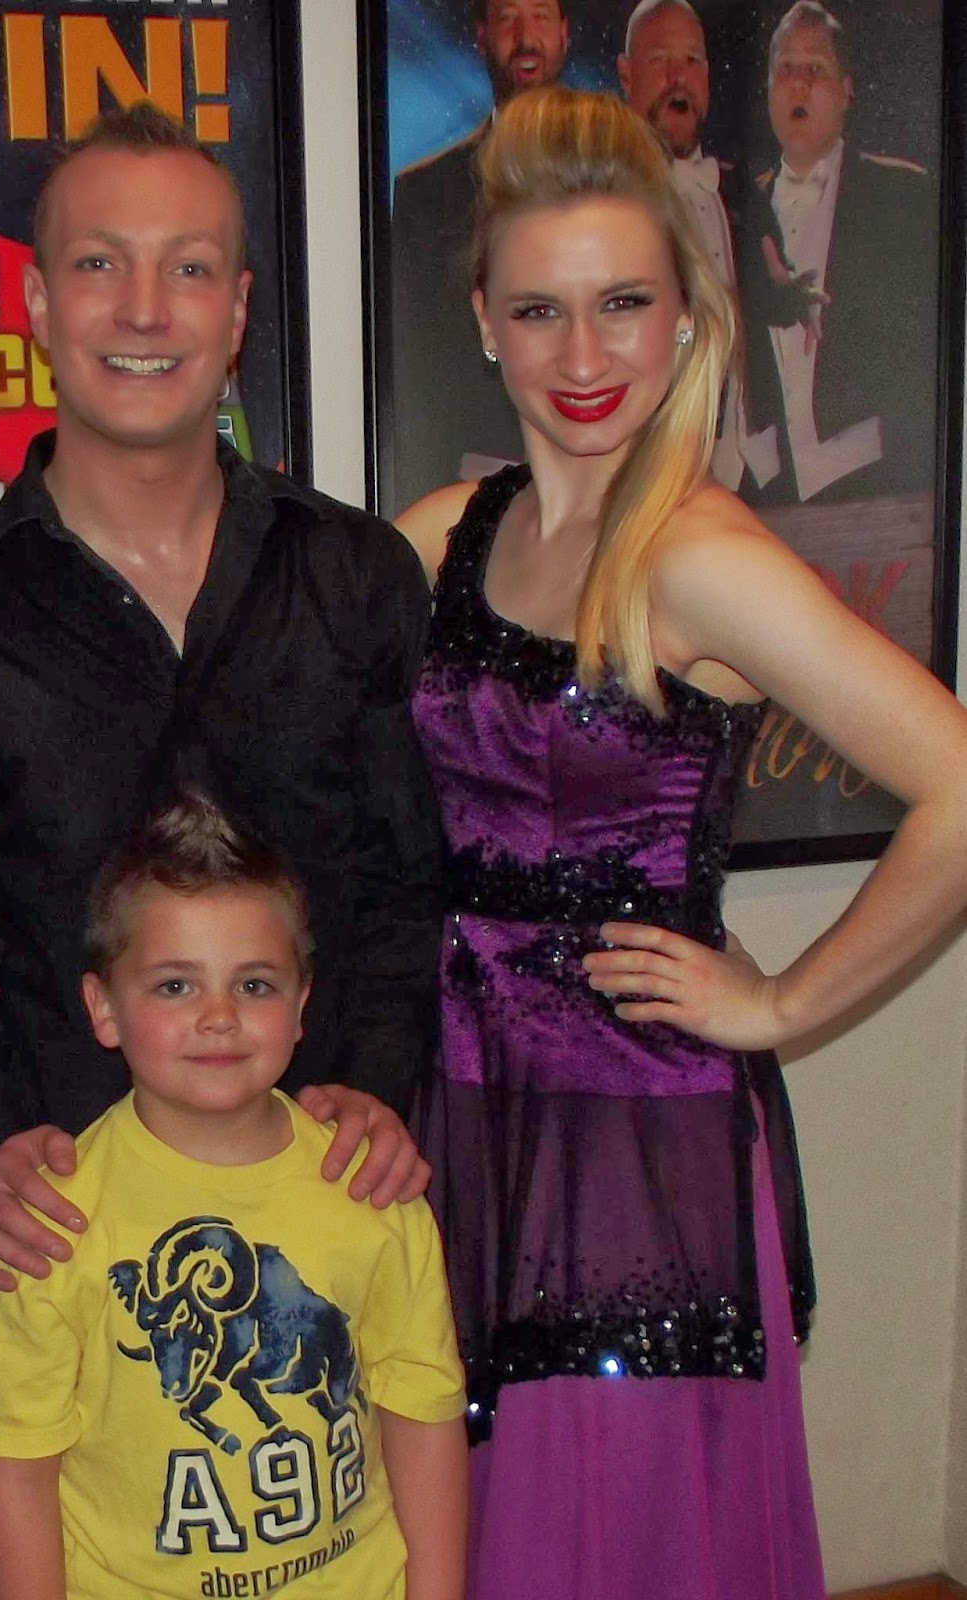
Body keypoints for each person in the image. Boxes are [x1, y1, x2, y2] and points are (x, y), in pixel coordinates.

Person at [397, 85, 967, 1599]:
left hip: (635, 1152)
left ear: (684, 316)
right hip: (460, 1122)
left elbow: (958, 788)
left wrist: (777, 1004)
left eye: (622, 304)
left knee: (615, 1536)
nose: (583, 357)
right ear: (483, 322)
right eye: (539, 310)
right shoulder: (440, 534)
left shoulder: (698, 557)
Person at [0, 104, 443, 1295]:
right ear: (36, 302)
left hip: (339, 1218)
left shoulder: (358, 575)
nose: (142, 309)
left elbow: (405, 895)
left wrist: (377, 1086)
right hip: (80, 1251)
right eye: (98, 264)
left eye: (187, 268)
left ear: (236, 311)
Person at [0, 790, 469, 1600]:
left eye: (255, 985)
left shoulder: (372, 1184)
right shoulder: (50, 1221)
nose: (218, 1017)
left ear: (301, 1006)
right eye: (174, 986)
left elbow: (424, 1415)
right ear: (103, 1008)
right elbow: (17, 1475)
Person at [734, 1, 936, 504]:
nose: (799, 86)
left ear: (847, 90)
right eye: (786, 70)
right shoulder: (738, 210)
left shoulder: (904, 195)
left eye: (815, 70)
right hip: (766, 492)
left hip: (876, 484)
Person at [389, 0, 570, 506]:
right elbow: (418, 372)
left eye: (540, 15)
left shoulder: (625, 177)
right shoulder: (426, 191)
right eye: (508, 18)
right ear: (482, 36)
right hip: (474, 493)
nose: (526, 36)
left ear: (564, 33)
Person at [616, 0, 779, 493]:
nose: (678, 78)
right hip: (640, 477)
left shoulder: (746, 196)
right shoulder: (603, 199)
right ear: (626, 75)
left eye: (692, 61)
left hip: (750, 477)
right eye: (661, 60)